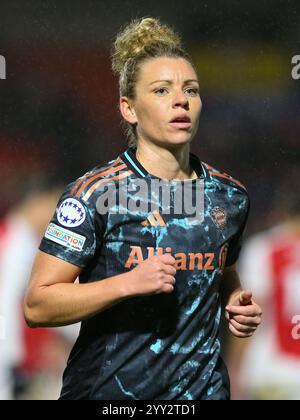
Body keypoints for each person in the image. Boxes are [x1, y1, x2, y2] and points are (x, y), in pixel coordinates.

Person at [24, 17, 262, 400]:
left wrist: (234, 301)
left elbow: (221, 273)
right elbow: (38, 304)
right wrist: (127, 283)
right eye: (161, 90)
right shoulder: (96, 194)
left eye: (191, 89)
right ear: (129, 108)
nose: (181, 100)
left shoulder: (229, 196)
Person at [0, 174, 78, 400]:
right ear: (36, 201)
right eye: (54, 205)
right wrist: (10, 354)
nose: (57, 216)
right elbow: (4, 301)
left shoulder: (26, 242)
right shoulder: (14, 243)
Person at [228, 177, 300, 400]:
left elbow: (250, 313)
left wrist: (234, 369)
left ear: (280, 210)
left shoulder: (266, 249)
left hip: (272, 374)